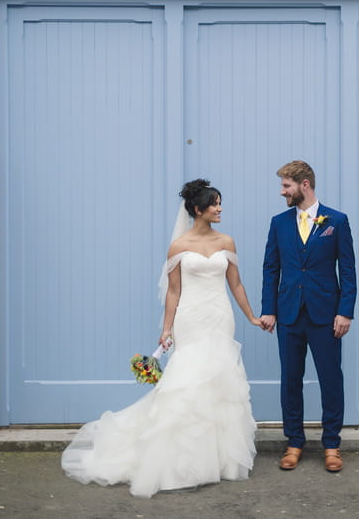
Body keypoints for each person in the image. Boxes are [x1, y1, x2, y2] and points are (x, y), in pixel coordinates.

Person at [62, 179, 261, 498]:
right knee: (187, 381)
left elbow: (236, 285)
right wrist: (167, 329)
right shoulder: (179, 246)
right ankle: (178, 461)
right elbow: (174, 290)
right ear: (198, 209)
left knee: (218, 382)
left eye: (220, 202)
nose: (220, 208)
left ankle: (218, 460)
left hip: (221, 317)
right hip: (191, 319)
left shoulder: (227, 241)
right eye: (214, 203)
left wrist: (251, 316)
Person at [260, 160, 356, 473]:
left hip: (326, 315)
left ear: (304, 185)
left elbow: (348, 271)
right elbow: (271, 268)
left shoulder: (336, 221)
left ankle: (331, 444)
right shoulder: (279, 222)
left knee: (331, 379)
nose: (281, 191)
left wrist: (345, 311)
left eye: (286, 186)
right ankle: (294, 442)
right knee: (290, 381)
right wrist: (269, 308)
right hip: (288, 314)